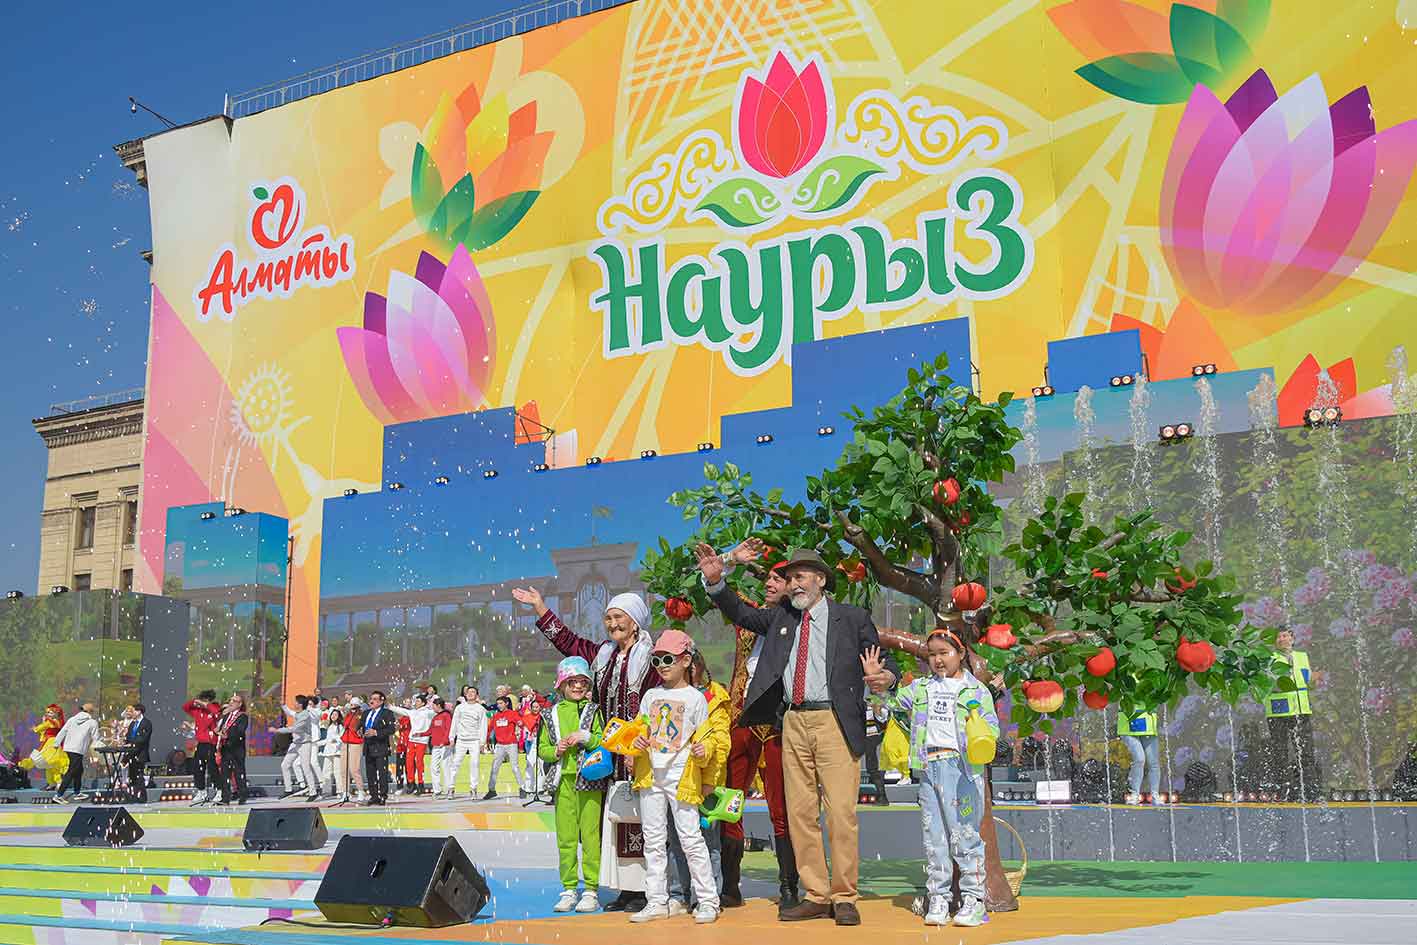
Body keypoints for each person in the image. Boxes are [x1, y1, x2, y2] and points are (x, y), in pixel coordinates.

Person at [697, 544, 895, 927]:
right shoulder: (781, 617)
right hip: (792, 721)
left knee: (840, 813)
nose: (793, 583)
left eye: (800, 576)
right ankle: (816, 895)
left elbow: (886, 664)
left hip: (834, 720)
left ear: (820, 579)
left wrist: (884, 677)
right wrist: (716, 581)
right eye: (790, 578)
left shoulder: (852, 618)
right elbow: (741, 613)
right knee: (801, 814)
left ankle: (844, 896)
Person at [513, 585, 661, 913]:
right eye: (608, 618)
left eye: (619, 617)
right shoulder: (602, 655)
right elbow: (567, 641)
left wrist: (642, 744)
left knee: (642, 821)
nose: (612, 624)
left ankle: (646, 888)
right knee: (612, 823)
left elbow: (656, 705)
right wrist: (540, 607)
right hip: (603, 757)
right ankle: (625, 888)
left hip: (639, 752)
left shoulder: (650, 659)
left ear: (635, 621)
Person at [881, 628, 998, 927]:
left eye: (944, 653)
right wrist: (881, 683)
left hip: (961, 771)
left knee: (965, 835)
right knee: (934, 838)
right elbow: (892, 704)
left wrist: (977, 731)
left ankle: (974, 900)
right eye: (932, 654)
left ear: (961, 654)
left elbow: (992, 730)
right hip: (928, 767)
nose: (938, 660)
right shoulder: (921, 688)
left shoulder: (975, 691)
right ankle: (939, 898)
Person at [627, 629, 723, 925]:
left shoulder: (696, 698)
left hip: (682, 777)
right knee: (653, 841)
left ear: (686, 660)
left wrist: (703, 751)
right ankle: (656, 900)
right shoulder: (650, 696)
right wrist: (636, 742)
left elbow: (708, 738)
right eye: (656, 660)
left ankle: (708, 900)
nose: (662, 665)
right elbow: (639, 729)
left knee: (691, 839)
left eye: (668, 658)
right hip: (651, 776)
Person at [718, 558, 796, 911]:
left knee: (782, 807)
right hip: (741, 722)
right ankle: (730, 887)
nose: (769, 583)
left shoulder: (799, 624)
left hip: (778, 726)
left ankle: (789, 887)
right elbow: (719, 594)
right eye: (767, 578)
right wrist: (730, 561)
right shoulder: (748, 618)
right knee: (729, 803)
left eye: (778, 578)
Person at [667, 647, 732, 913]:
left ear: (698, 665)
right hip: (674, 780)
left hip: (704, 782)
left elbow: (721, 741)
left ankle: (707, 897)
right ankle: (678, 895)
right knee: (676, 840)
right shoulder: (666, 694)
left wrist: (711, 780)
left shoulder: (714, 696)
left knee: (706, 841)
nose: (689, 668)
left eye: (692, 663)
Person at [541, 656, 606, 914]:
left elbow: (603, 740)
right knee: (566, 838)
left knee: (590, 836)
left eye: (582, 681)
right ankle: (569, 888)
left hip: (589, 780)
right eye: (572, 682)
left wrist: (586, 737)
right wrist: (556, 750)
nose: (578, 686)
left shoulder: (594, 710)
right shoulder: (550, 714)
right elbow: (543, 749)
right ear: (561, 685)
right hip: (563, 782)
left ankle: (591, 889)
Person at [1265, 627, 1320, 801]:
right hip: (1279, 711)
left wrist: (1314, 680)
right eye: (1278, 637)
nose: (1282, 639)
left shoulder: (1302, 656)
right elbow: (1267, 683)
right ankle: (1283, 789)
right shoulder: (1269, 658)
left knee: (1306, 751)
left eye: (1285, 635)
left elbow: (1307, 682)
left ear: (1292, 638)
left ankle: (1310, 790)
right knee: (1280, 752)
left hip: (1301, 710)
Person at [51, 702, 99, 803]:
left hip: (69, 747)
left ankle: (77, 793)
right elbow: (96, 737)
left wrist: (56, 743)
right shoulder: (92, 722)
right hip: (78, 749)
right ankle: (58, 795)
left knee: (79, 770)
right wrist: (101, 745)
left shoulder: (72, 719)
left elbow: (63, 731)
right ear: (91, 712)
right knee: (72, 771)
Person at [388, 694, 434, 796]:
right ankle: (411, 784)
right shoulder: (412, 712)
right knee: (409, 763)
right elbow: (401, 711)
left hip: (422, 741)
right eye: (415, 701)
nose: (415, 703)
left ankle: (421, 784)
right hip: (411, 740)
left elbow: (437, 712)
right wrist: (390, 707)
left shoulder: (427, 712)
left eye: (418, 701)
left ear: (423, 703)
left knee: (419, 763)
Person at [278, 696, 319, 801]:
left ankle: (313, 792)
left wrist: (278, 730)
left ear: (300, 704)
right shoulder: (298, 714)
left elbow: (295, 728)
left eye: (295, 702)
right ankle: (288, 789)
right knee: (285, 765)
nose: (294, 704)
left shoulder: (305, 716)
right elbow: (290, 713)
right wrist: (283, 705)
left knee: (306, 767)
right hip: (295, 743)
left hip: (305, 744)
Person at [183, 691, 221, 805]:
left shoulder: (214, 708)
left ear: (209, 700)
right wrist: (195, 701)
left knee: (212, 768)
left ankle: (219, 790)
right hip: (201, 744)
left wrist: (206, 704)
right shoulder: (197, 711)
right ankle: (201, 791)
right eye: (201, 699)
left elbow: (217, 713)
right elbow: (185, 707)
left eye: (204, 700)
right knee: (198, 768)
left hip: (211, 743)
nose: (202, 702)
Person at [1119, 708, 1164, 805]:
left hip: (1148, 724)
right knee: (1139, 759)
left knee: (1153, 762)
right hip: (1128, 725)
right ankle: (1134, 794)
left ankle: (1155, 795)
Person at [449, 685, 487, 799]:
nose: (470, 694)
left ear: (477, 695)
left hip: (474, 740)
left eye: (473, 692)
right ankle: (451, 788)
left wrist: (482, 742)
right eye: (468, 692)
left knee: (474, 764)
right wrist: (452, 737)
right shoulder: (460, 707)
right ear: (465, 694)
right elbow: (454, 722)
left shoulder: (480, 708)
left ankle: (473, 788)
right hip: (461, 740)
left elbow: (483, 726)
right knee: (455, 764)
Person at [20, 704, 69, 790]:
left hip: (51, 743)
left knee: (50, 761)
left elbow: (41, 728)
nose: (48, 714)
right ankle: (54, 783)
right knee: (50, 765)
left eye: (51, 712)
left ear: (57, 713)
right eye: (48, 712)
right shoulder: (56, 722)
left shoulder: (51, 722)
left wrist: (35, 728)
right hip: (52, 742)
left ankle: (57, 782)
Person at [360, 691, 397, 805]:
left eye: (375, 699)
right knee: (370, 774)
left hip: (380, 746)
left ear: (381, 701)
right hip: (368, 746)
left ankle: (383, 795)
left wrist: (376, 732)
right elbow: (361, 726)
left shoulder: (387, 713)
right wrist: (360, 731)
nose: (371, 701)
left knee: (382, 773)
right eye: (371, 699)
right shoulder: (366, 713)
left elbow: (391, 729)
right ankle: (373, 796)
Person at [214, 693, 249, 806]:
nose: (231, 703)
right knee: (225, 773)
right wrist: (218, 731)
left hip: (236, 749)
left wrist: (228, 735)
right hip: (226, 748)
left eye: (234, 701)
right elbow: (221, 728)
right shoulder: (226, 716)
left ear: (240, 704)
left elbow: (240, 731)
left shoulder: (242, 716)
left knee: (238, 772)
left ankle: (242, 795)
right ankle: (225, 798)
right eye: (231, 700)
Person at [485, 696, 523, 799]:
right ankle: (491, 790)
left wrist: (520, 723)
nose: (499, 705)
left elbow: (521, 723)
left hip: (511, 744)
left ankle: (522, 788)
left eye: (501, 703)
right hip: (500, 745)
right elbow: (489, 729)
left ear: (506, 703)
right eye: (498, 704)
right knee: (494, 767)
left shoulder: (512, 713)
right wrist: (486, 741)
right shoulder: (496, 716)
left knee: (514, 767)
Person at [862, 697, 891, 805]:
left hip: (877, 739)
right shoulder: (863, 703)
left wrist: (876, 709)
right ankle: (881, 796)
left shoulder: (880, 702)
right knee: (872, 768)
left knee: (875, 768)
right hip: (867, 739)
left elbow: (883, 719)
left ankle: (882, 796)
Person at [338, 696, 367, 800]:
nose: (352, 707)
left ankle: (361, 791)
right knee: (343, 769)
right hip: (345, 742)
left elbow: (356, 727)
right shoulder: (348, 715)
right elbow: (345, 724)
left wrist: (356, 714)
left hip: (356, 742)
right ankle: (345, 792)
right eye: (351, 705)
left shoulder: (360, 715)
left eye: (355, 705)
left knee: (354, 768)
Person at [121, 703, 153, 793]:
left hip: (140, 753)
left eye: (134, 711)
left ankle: (140, 794)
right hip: (131, 753)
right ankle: (132, 793)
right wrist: (125, 743)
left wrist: (132, 744)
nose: (133, 713)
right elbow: (128, 736)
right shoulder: (133, 723)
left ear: (139, 711)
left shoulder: (146, 723)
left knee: (139, 776)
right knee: (132, 775)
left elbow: (144, 738)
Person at [315, 704, 344, 797]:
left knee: (337, 772)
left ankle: (340, 791)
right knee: (326, 771)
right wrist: (316, 744)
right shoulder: (330, 726)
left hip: (337, 752)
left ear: (339, 716)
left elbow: (342, 739)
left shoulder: (340, 726)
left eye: (336, 715)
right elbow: (327, 740)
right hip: (328, 752)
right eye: (332, 714)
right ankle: (326, 791)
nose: (333, 716)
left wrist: (335, 739)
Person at [428, 697, 454, 798]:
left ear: (438, 705)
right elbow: (430, 730)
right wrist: (420, 734)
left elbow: (448, 729)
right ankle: (437, 790)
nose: (432, 708)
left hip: (445, 745)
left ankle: (450, 789)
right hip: (436, 746)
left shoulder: (446, 715)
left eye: (433, 706)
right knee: (434, 767)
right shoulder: (435, 717)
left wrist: (444, 741)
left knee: (446, 766)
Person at [520, 687, 543, 797]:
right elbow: (524, 731)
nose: (535, 709)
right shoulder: (526, 717)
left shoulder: (543, 717)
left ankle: (540, 787)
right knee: (530, 765)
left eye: (537, 707)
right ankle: (529, 787)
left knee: (540, 766)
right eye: (533, 707)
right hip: (531, 743)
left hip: (541, 742)